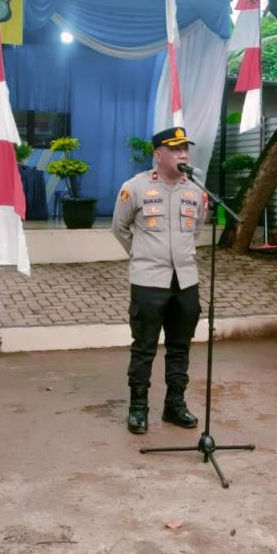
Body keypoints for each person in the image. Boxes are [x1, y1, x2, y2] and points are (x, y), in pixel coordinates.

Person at [112, 126, 206, 434]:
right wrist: (142, 256)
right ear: (158, 155)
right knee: (144, 347)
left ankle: (174, 405)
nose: (183, 154)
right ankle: (138, 408)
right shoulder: (135, 187)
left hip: (186, 281)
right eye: (176, 148)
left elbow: (196, 230)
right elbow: (120, 228)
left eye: (185, 149)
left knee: (180, 346)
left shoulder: (195, 189)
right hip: (149, 281)